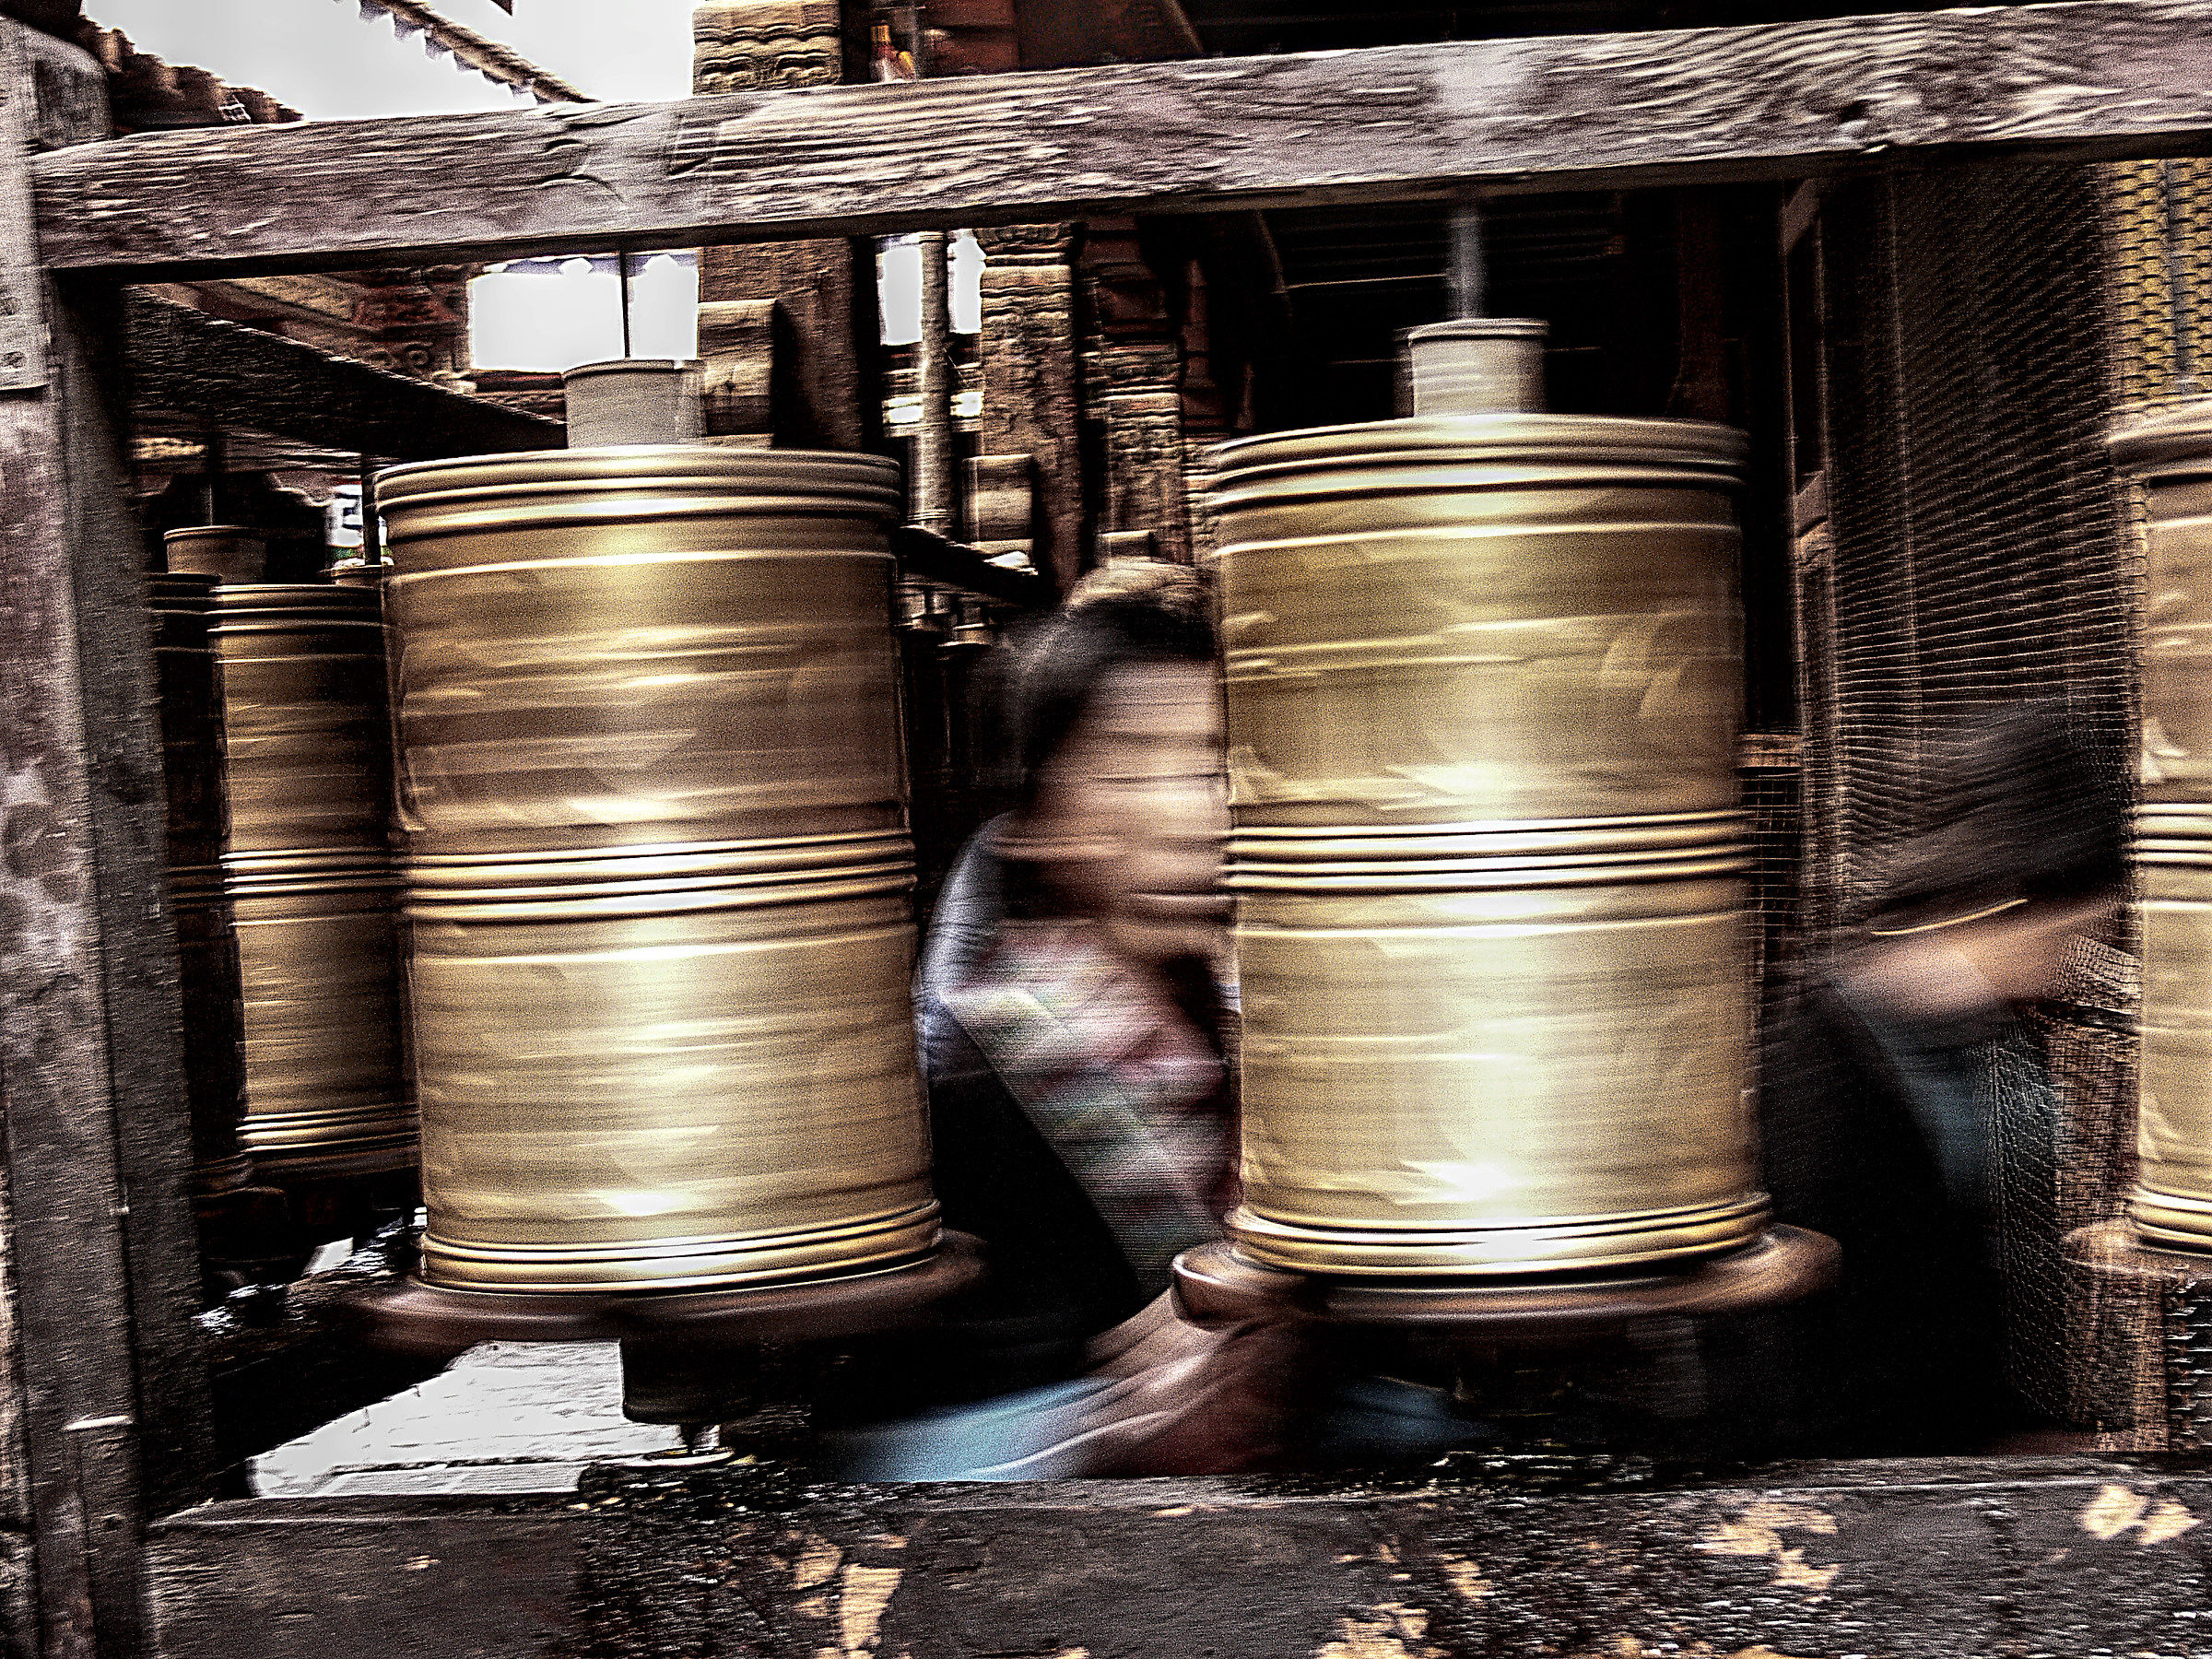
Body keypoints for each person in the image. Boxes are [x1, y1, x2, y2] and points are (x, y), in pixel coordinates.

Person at [820, 560, 1310, 1476]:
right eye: (1131, 765)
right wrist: (1115, 1418)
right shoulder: (986, 1062)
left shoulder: (1239, 1009)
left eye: (1218, 763)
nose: (1195, 812)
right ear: (1040, 819)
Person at [1761, 700, 2128, 1449]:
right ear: (2020, 896)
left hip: (1945, 1432)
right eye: (2084, 922)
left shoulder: (1970, 1021)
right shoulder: (1828, 1076)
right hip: (1855, 1467)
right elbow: (1811, 1359)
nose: (2087, 951)